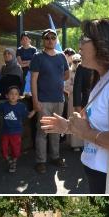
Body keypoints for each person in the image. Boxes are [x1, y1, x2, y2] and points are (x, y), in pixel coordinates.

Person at [41, 18, 109, 193]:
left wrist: (84, 132)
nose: (79, 45)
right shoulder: (103, 79)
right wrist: (70, 127)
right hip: (103, 179)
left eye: (84, 39)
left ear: (103, 44)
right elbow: (97, 126)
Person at [30, 28, 69, 174]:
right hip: (43, 100)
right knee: (42, 131)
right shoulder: (38, 57)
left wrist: (56, 80)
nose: (50, 40)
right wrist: (35, 100)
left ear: (56, 40)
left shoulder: (61, 56)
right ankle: (40, 161)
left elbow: (66, 75)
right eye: (47, 38)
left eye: (53, 37)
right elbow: (33, 80)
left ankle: (55, 157)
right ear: (43, 40)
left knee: (56, 130)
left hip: (59, 99)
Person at [0, 86, 32, 173]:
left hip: (16, 133)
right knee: (4, 150)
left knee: (16, 150)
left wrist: (35, 110)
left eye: (16, 94)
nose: (13, 96)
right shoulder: (4, 105)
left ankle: (14, 161)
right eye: (11, 93)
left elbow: (28, 115)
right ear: (7, 95)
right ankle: (9, 160)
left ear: (19, 96)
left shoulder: (21, 106)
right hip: (5, 132)